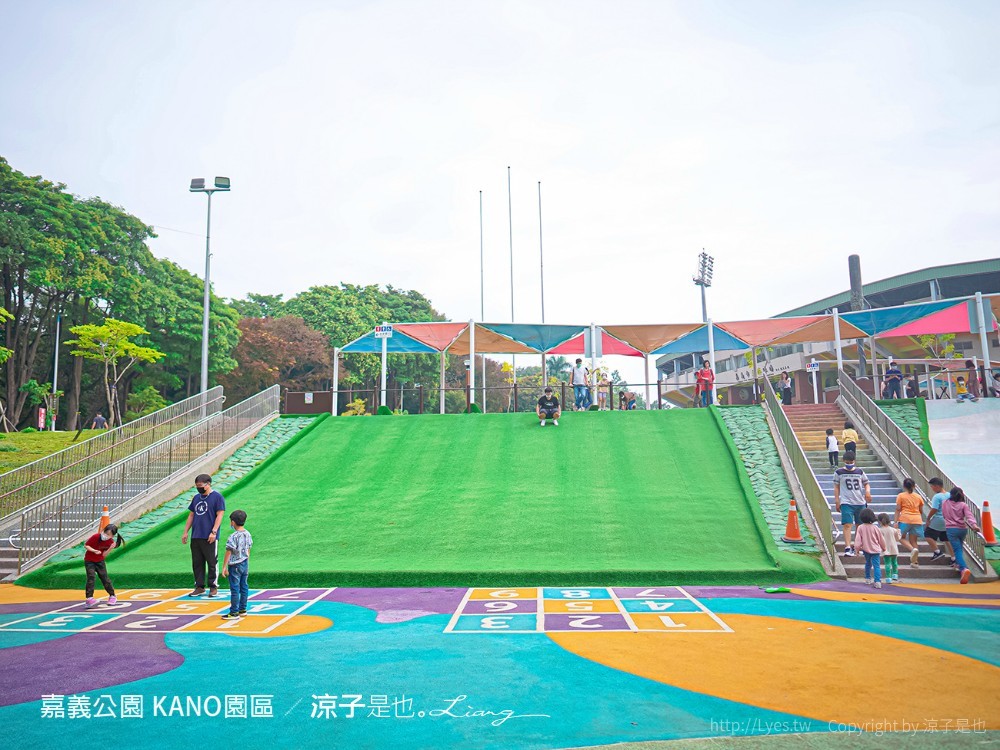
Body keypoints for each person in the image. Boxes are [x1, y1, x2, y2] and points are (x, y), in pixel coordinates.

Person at [181, 473, 226, 597]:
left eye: (200, 485)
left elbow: (220, 515)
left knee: (212, 562)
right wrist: (186, 532)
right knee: (197, 562)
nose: (198, 488)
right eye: (197, 486)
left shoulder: (217, 497)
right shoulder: (196, 498)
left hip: (209, 536)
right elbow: (191, 515)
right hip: (196, 535)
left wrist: (214, 531)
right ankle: (199, 586)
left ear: (208, 484)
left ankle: (213, 586)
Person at [833, 450, 871, 557]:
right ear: (844, 461)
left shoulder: (860, 472)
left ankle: (858, 546)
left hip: (860, 502)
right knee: (847, 525)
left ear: (854, 461)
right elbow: (836, 487)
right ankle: (848, 547)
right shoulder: (839, 472)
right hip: (846, 502)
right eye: (847, 462)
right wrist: (837, 500)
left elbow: (866, 483)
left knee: (860, 526)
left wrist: (867, 492)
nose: (849, 464)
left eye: (851, 462)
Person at [942, 487, 981, 584]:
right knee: (960, 547)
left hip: (951, 529)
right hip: (962, 529)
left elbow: (944, 515)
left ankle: (963, 569)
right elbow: (969, 516)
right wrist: (974, 526)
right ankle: (958, 564)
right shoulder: (963, 505)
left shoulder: (945, 503)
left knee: (957, 549)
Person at [221, 510, 253, 620]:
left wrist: (224, 567)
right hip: (244, 563)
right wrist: (246, 558)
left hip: (234, 565)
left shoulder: (233, 536)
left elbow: (228, 552)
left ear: (233, 522)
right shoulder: (247, 534)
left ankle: (234, 612)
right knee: (244, 586)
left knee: (235, 588)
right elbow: (249, 549)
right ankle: (242, 609)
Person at [83, 523, 119, 607]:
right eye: (105, 533)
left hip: (100, 561)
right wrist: (94, 551)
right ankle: (89, 598)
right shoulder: (96, 537)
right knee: (91, 577)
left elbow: (104, 555)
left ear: (112, 536)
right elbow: (86, 545)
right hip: (89, 560)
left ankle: (112, 595)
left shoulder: (110, 542)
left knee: (104, 578)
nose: (105, 535)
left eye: (108, 535)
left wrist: (110, 548)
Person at [894, 478, 924, 567]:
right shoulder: (918, 497)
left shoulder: (901, 496)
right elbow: (921, 510)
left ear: (904, 486)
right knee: (913, 540)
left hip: (905, 519)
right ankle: (915, 562)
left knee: (900, 537)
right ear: (914, 486)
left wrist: (895, 521)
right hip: (917, 520)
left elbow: (898, 509)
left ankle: (912, 550)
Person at [924, 477, 954, 563]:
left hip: (939, 519)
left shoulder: (937, 497)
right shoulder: (949, 495)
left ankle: (937, 552)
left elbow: (934, 509)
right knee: (946, 539)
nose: (931, 488)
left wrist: (928, 518)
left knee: (927, 534)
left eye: (932, 486)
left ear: (937, 486)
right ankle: (953, 558)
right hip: (948, 519)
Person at [855, 508, 885, 588]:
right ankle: (877, 581)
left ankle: (868, 578)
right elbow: (880, 539)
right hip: (875, 550)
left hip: (866, 549)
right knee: (876, 566)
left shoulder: (860, 527)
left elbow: (858, 540)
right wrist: (884, 547)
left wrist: (857, 549)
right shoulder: (875, 528)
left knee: (868, 564)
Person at [878, 513, 901, 583]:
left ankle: (888, 578)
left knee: (887, 564)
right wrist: (899, 532)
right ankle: (895, 575)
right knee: (894, 562)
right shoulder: (893, 529)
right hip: (893, 548)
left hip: (885, 549)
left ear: (880, 521)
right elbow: (898, 538)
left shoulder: (880, 530)